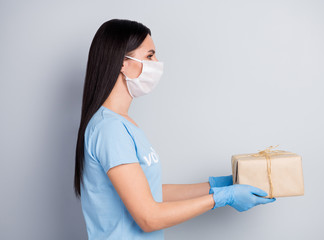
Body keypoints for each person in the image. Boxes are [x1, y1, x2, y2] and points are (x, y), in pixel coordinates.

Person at [74, 19, 276, 240]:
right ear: (123, 63)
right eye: (149, 56)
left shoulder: (122, 124)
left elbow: (151, 193)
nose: (157, 62)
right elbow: (148, 217)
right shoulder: (109, 129)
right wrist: (221, 198)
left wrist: (220, 184)